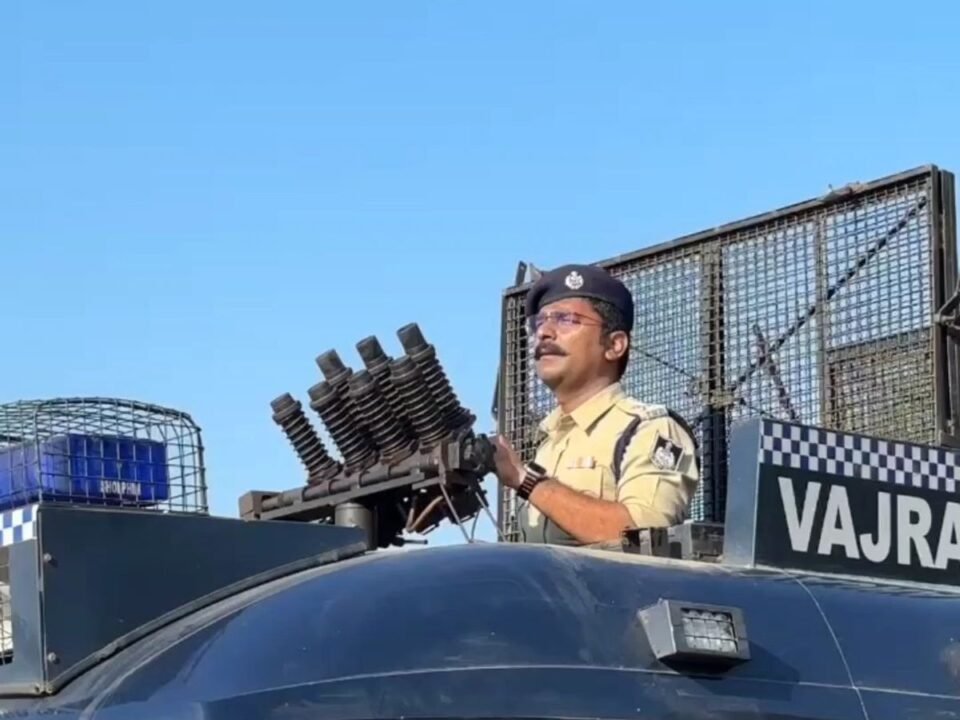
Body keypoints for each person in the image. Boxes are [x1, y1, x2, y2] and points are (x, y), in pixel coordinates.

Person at [492, 263, 700, 546]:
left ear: (615, 345)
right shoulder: (546, 444)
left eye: (566, 319)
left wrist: (525, 480)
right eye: (540, 322)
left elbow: (645, 538)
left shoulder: (649, 429)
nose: (544, 333)